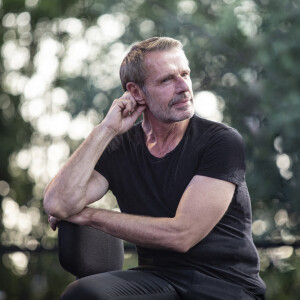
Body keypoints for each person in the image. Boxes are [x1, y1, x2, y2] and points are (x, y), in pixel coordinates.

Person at [44, 37, 266, 299]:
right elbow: (58, 203)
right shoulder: (120, 147)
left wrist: (89, 216)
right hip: (156, 280)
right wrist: (106, 130)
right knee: (83, 293)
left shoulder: (221, 141)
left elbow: (182, 236)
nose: (184, 87)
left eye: (185, 74)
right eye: (167, 80)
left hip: (224, 285)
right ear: (136, 92)